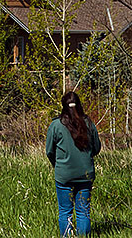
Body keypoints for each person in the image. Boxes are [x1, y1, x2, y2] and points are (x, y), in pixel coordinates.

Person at [46, 90, 101, 237]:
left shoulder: (56, 125)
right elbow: (96, 148)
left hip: (64, 175)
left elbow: (49, 151)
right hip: (85, 174)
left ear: (63, 106)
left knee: (65, 211)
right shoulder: (88, 123)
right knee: (83, 211)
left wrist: (58, 164)